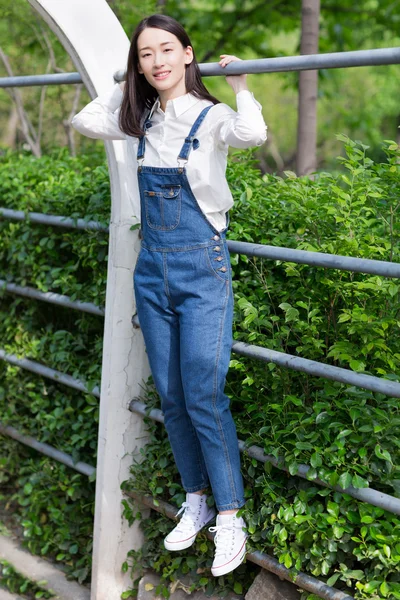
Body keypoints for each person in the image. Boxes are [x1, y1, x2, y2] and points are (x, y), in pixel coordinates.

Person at [71, 13, 267, 577]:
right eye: (143, 56)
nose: (155, 62)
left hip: (202, 267)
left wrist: (242, 87)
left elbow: (253, 135)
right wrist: (123, 85)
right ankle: (197, 499)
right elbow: (86, 119)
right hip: (152, 268)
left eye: (165, 50)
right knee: (172, 394)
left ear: (187, 53)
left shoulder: (211, 117)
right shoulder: (140, 119)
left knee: (204, 391)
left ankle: (231, 514)